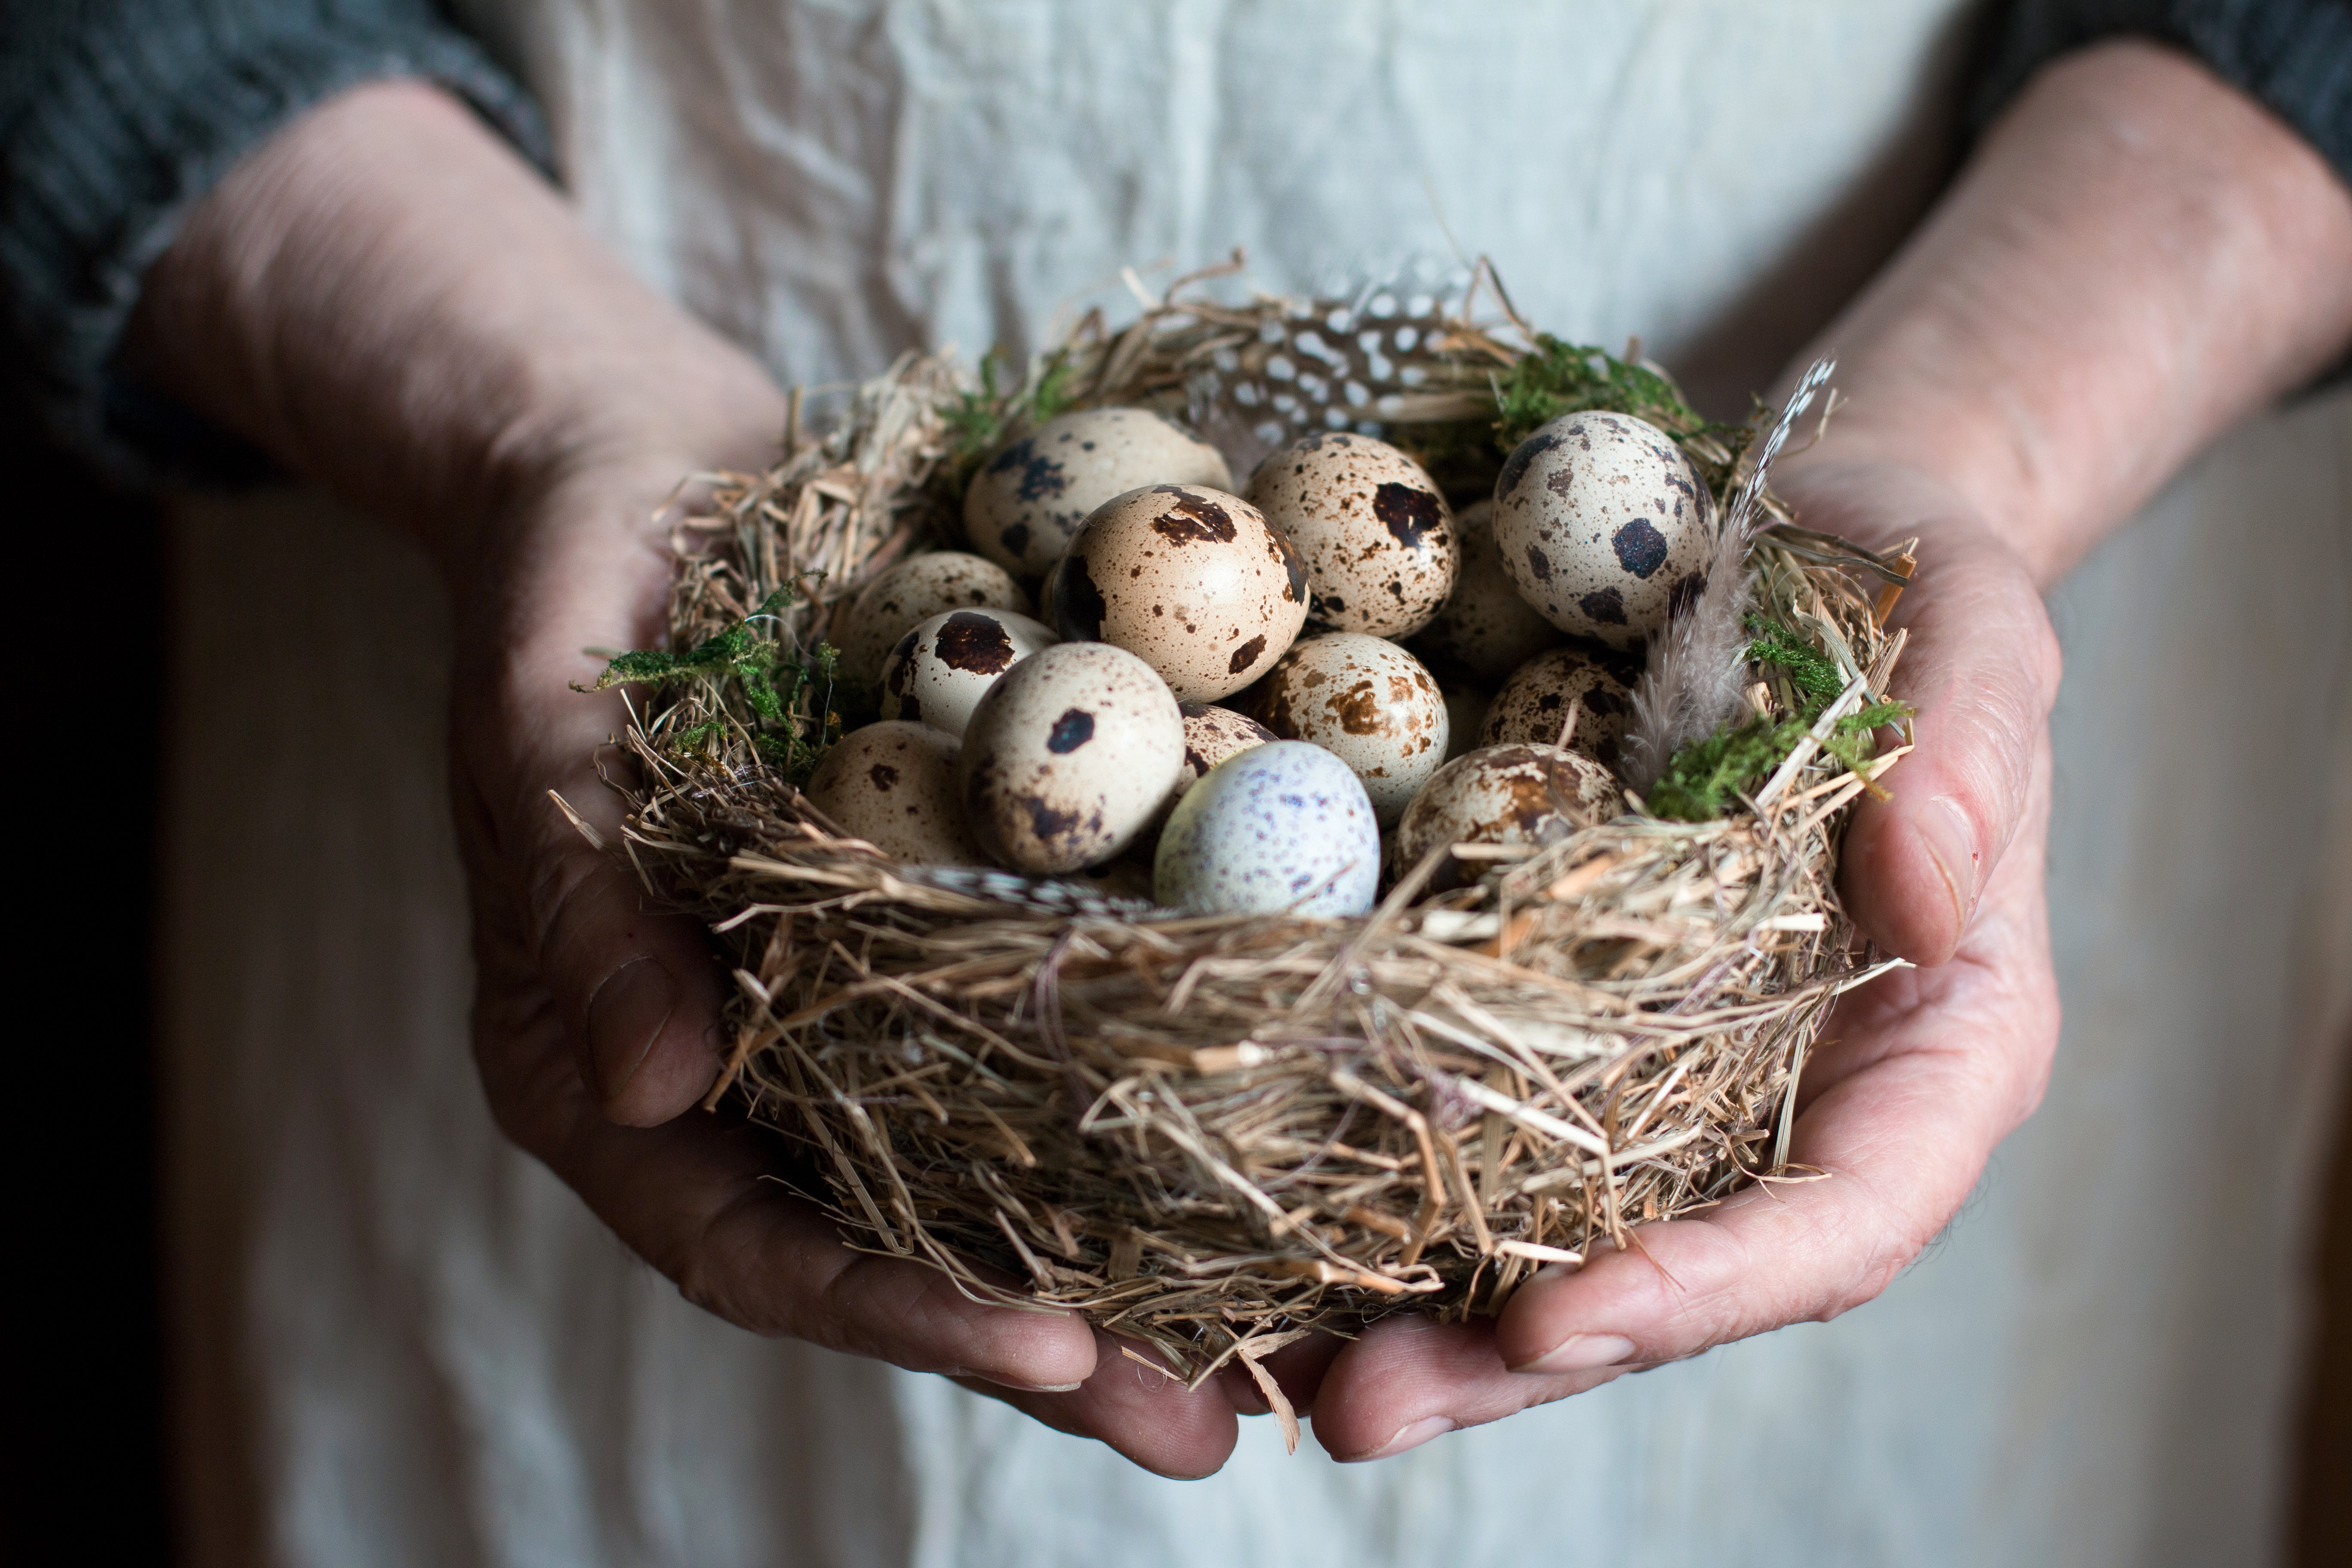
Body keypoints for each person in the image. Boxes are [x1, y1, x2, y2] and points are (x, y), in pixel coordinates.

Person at [6, 1, 2349, 1562]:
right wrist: (532, 410)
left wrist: (1978, 441)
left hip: (1966, 391)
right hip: (537, 489)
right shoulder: (1030, 638)